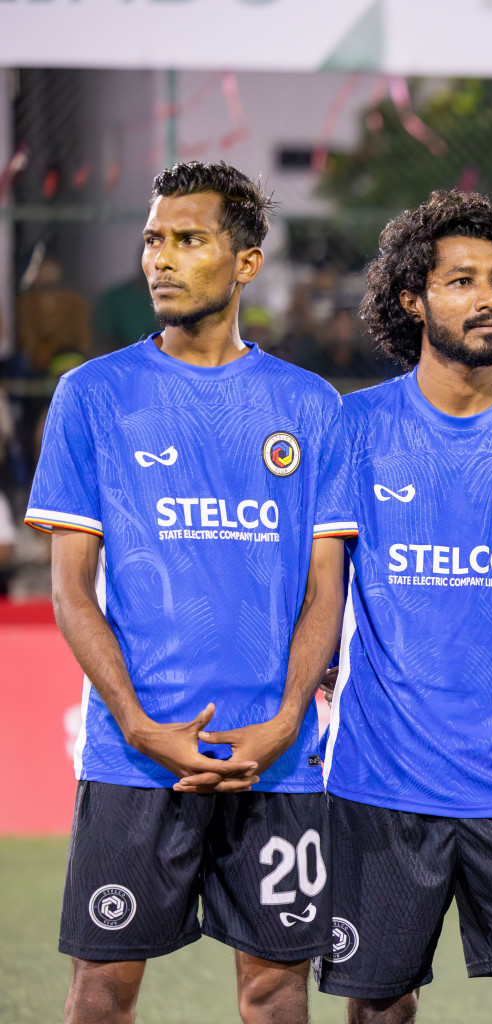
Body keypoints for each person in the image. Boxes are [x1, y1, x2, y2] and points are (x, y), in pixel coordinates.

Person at [24, 161, 351, 1024]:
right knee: (100, 993)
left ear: (245, 262)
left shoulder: (311, 406)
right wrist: (136, 722)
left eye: (188, 240)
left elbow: (327, 592)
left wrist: (285, 721)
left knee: (277, 991)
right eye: (152, 240)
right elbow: (71, 590)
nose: (160, 260)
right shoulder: (92, 396)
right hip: (135, 757)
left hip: (275, 760)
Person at [315, 190, 492, 1024]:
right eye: (462, 280)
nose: (489, 298)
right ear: (413, 299)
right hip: (380, 781)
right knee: (379, 1007)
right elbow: (325, 589)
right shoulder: (355, 427)